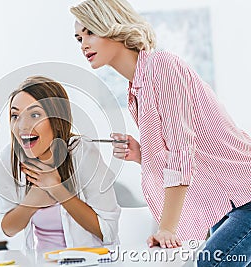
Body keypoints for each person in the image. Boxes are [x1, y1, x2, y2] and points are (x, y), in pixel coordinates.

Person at [71, 0, 251, 266]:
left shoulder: (161, 67)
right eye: (78, 38)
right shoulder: (137, 88)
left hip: (245, 193)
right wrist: (142, 154)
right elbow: (189, 152)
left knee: (208, 263)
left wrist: (167, 228)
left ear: (112, 27)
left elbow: (181, 150)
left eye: (89, 32)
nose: (83, 44)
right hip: (230, 203)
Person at [0, 76, 120, 250]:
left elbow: (108, 232)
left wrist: (57, 189)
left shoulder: (82, 153)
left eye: (35, 115)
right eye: (15, 116)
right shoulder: (9, 158)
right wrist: (32, 202)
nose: (22, 126)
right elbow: (5, 229)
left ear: (57, 119)